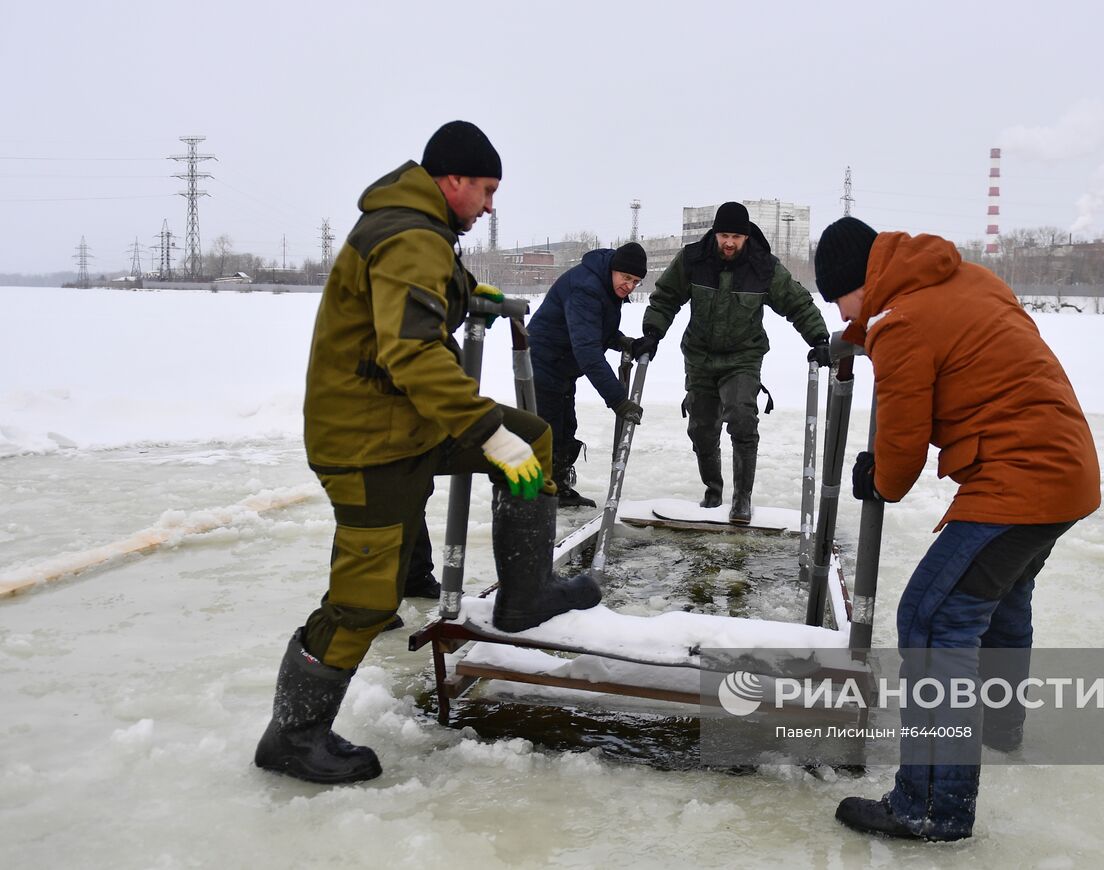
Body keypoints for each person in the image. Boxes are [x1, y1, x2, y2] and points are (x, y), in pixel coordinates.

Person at [254, 121, 601, 785]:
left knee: (531, 437)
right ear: (453, 182)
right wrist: (484, 433)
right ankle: (292, 737)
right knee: (365, 597)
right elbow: (410, 350)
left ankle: (525, 597)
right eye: (487, 190)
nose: (491, 205)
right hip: (367, 443)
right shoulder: (412, 235)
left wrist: (476, 296)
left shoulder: (422, 230)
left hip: (401, 424)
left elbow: (430, 291)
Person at [812, 216, 1101, 842]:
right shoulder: (964, 280)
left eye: (837, 297)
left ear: (859, 281)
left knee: (933, 618)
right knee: (998, 604)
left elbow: (903, 439)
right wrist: (849, 340)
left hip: (1017, 477)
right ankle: (998, 728)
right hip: (1066, 471)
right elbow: (928, 335)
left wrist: (881, 480)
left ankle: (930, 806)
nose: (839, 309)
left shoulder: (902, 323)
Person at [640, 202, 831, 524]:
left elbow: (797, 303)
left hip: (743, 357)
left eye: (736, 237)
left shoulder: (763, 267)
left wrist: (819, 339)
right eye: (724, 235)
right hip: (699, 356)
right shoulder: (692, 260)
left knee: (742, 417)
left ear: (746, 237)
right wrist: (652, 333)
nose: (729, 243)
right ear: (715, 234)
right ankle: (713, 490)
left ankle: (742, 497)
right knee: (701, 429)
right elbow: (665, 297)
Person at [526, 242, 649, 508]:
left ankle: (556, 488)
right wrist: (618, 400)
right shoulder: (586, 288)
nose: (629, 286)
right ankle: (537, 499)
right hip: (543, 360)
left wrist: (623, 342)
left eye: (636, 281)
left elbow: (593, 329)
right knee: (546, 429)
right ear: (614, 270)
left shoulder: (603, 285)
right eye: (626, 278)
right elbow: (588, 351)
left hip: (563, 365)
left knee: (565, 426)